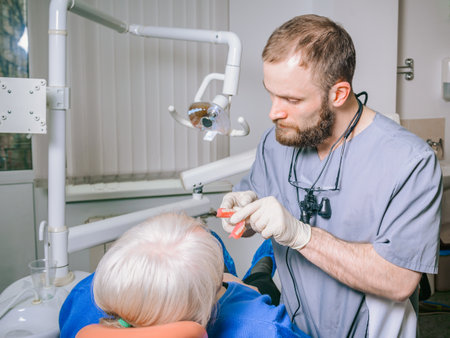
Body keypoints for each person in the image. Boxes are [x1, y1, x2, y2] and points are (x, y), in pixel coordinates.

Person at [219, 14, 442, 337]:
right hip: (296, 328)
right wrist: (244, 209)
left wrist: (301, 235)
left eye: (291, 100)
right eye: (271, 94)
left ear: (338, 94)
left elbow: (398, 281)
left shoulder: (409, 162)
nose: (273, 112)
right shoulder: (279, 140)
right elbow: (256, 198)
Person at [59, 213, 308, 338]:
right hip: (244, 294)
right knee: (257, 277)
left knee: (211, 240)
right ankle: (265, 260)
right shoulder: (264, 326)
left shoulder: (83, 294)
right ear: (210, 299)